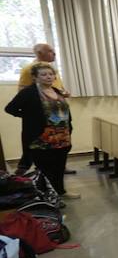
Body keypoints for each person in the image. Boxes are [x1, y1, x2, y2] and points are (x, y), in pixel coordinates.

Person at [5, 62, 78, 199]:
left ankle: (61, 192)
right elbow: (10, 109)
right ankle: (46, 196)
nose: (48, 77)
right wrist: (29, 116)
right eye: (43, 74)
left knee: (59, 167)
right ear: (35, 77)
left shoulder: (57, 91)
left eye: (51, 74)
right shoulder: (28, 92)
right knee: (45, 170)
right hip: (41, 139)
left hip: (62, 137)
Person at [16, 44, 68, 176]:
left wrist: (63, 93)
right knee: (36, 145)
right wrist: (30, 114)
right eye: (50, 51)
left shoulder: (51, 68)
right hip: (41, 115)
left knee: (58, 144)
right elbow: (22, 91)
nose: (54, 53)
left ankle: (57, 168)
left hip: (57, 115)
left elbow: (57, 87)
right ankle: (24, 169)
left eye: (50, 75)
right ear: (40, 53)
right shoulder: (29, 69)